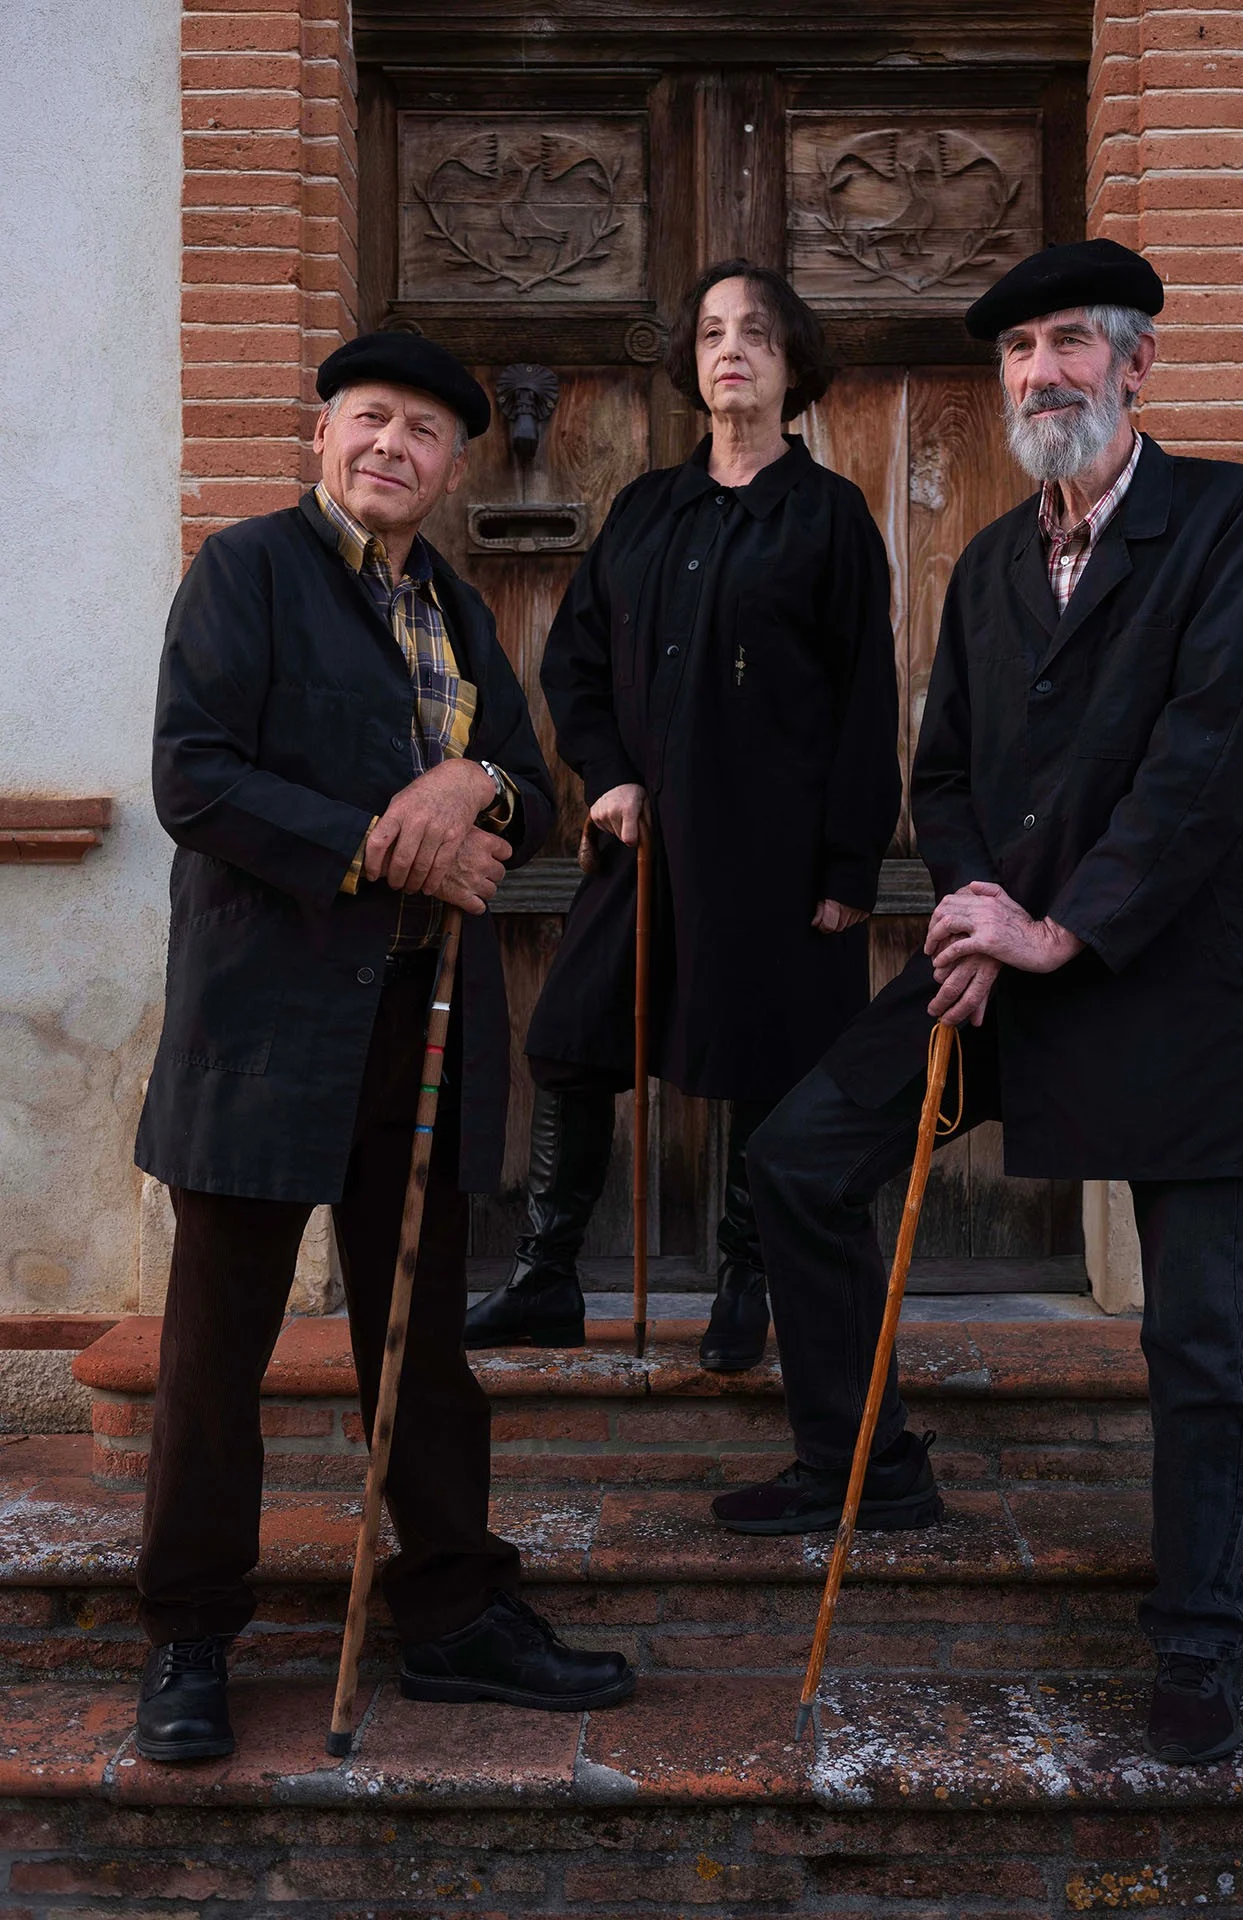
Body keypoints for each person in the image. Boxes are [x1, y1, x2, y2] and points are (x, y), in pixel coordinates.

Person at [716, 238, 1243, 1769]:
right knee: (798, 1159)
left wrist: (1061, 928)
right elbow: (947, 772)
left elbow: (1209, 764)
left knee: (1196, 1330)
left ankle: (1200, 1633)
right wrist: (981, 903)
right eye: (1018, 351)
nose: (1040, 373)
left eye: (1068, 342)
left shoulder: (1232, 522)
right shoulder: (990, 559)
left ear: (1138, 365)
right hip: (1002, 961)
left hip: (1167, 977)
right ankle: (868, 1460)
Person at [132, 332, 635, 1764]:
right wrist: (378, 841)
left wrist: (475, 781)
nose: (392, 448)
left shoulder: (457, 610)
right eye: (370, 419)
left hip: (420, 1029)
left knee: (419, 1347)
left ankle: (455, 1614)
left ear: (454, 467)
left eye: (423, 432)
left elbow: (532, 789)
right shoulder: (247, 572)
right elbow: (193, 776)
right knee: (214, 1355)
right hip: (262, 1024)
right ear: (323, 435)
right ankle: (187, 1640)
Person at [464, 260, 901, 1373]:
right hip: (642, 845)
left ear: (793, 363)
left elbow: (867, 700)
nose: (731, 350)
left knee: (765, 1061)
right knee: (571, 1040)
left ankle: (748, 1277)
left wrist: (849, 866)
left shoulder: (830, 517)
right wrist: (607, 772)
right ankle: (547, 1275)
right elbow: (575, 660)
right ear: (691, 363)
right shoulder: (646, 508)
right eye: (711, 333)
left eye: (755, 332)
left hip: (776, 854)